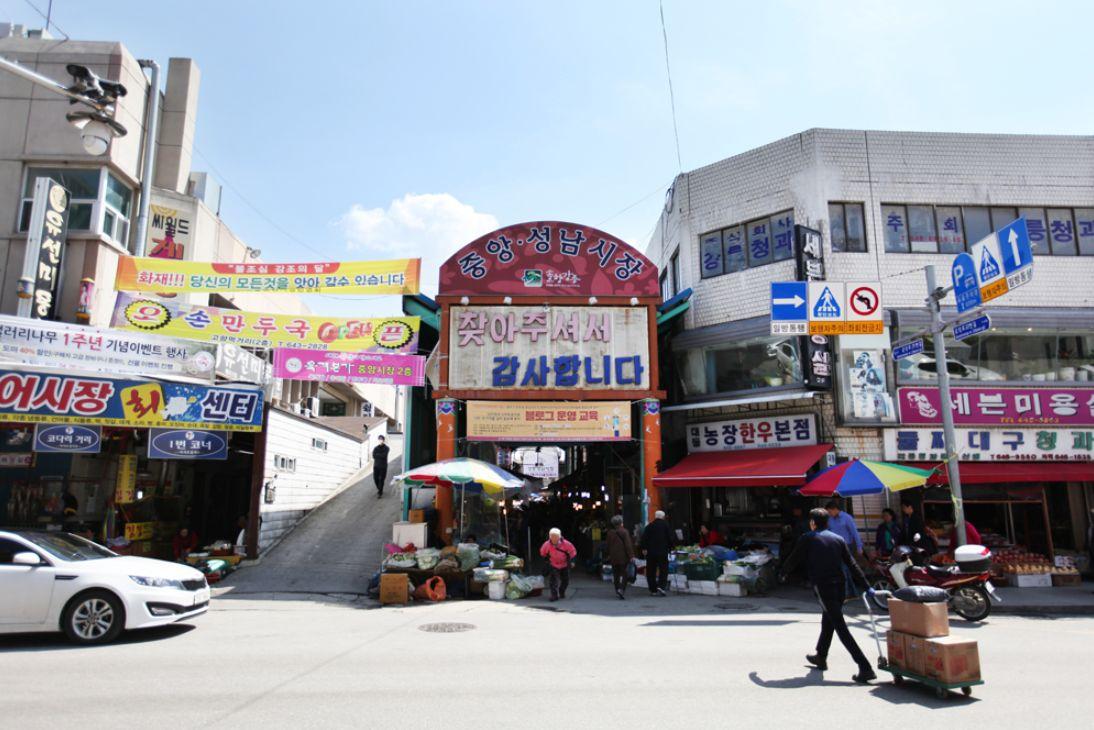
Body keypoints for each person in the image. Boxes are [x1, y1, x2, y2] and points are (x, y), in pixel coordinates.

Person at [780, 508, 877, 684]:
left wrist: (782, 573)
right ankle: (821, 656)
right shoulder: (838, 539)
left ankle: (865, 667)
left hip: (824, 588)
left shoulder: (808, 538)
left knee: (840, 627)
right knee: (828, 621)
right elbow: (853, 565)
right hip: (840, 587)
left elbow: (793, 558)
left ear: (812, 523)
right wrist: (867, 586)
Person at [825, 500, 863, 598]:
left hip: (846, 546)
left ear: (835, 509)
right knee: (844, 569)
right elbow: (828, 531)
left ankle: (844, 594)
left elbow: (854, 533)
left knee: (842, 569)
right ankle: (853, 593)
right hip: (834, 546)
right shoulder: (829, 519)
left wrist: (859, 547)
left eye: (829, 511)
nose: (829, 514)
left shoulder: (847, 518)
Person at [639, 510, 673, 596]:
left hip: (651, 552)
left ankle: (653, 589)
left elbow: (644, 538)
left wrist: (644, 548)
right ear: (663, 517)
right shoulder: (666, 526)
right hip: (662, 552)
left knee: (651, 571)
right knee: (663, 569)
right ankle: (661, 586)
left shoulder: (649, 526)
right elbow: (670, 538)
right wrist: (671, 548)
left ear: (655, 516)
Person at [539, 528, 577, 602]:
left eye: (555, 536)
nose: (554, 538)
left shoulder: (566, 544)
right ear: (550, 536)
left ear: (559, 536)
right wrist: (547, 561)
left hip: (564, 564)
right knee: (553, 581)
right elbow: (542, 553)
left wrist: (572, 562)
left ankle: (561, 591)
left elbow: (573, 552)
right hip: (553, 564)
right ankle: (554, 595)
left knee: (565, 581)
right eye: (552, 536)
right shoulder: (547, 544)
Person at [606, 515, 635, 600]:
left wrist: (608, 554)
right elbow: (628, 545)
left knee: (616, 574)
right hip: (623, 556)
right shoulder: (624, 532)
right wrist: (631, 556)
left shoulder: (610, 533)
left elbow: (607, 545)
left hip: (613, 556)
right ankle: (621, 589)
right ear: (621, 523)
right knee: (625, 573)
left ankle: (617, 589)